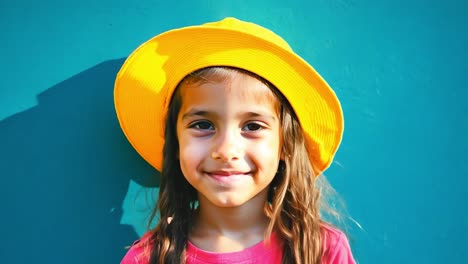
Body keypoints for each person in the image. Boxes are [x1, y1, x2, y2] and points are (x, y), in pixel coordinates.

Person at [115, 17, 356, 264]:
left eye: (252, 126)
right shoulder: (149, 258)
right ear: (176, 143)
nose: (226, 150)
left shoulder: (322, 251)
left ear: (285, 144)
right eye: (203, 125)